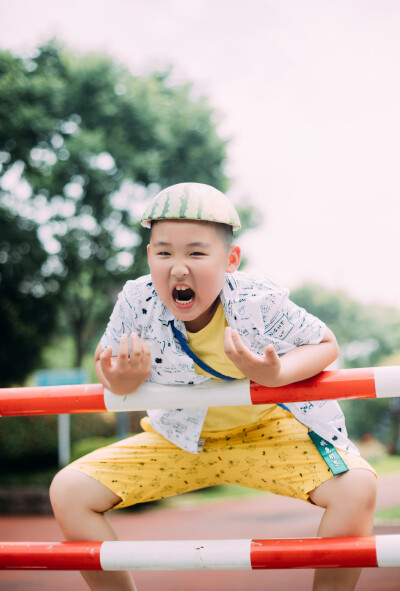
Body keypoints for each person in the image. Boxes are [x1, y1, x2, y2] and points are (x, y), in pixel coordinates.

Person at [50, 182, 377, 591]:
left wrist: (274, 375)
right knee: (68, 491)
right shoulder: (138, 300)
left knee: (358, 485)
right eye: (164, 252)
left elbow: (325, 343)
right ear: (149, 256)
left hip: (268, 433)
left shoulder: (258, 300)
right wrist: (121, 380)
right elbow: (108, 364)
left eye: (197, 252)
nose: (179, 267)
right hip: (178, 438)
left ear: (231, 260)